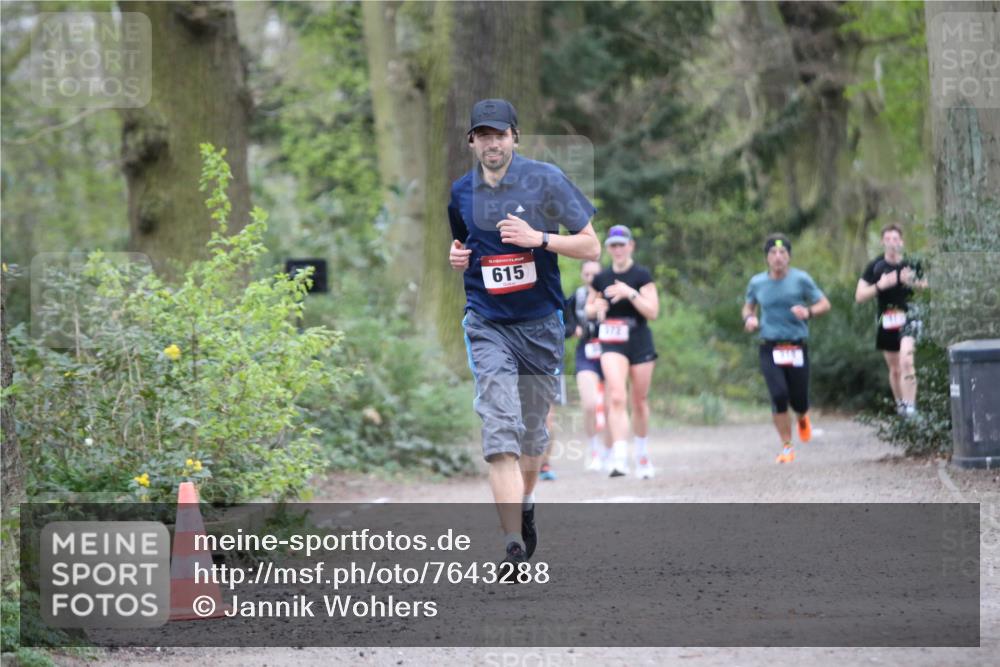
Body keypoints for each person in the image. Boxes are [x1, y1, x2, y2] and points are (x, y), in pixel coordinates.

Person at [448, 98, 600, 568]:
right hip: (487, 324)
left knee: (534, 435)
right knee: (500, 431)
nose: (492, 143)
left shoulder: (546, 180)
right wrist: (456, 258)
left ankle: (527, 503)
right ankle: (511, 542)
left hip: (539, 327)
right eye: (483, 135)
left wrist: (540, 239)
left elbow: (591, 244)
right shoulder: (460, 193)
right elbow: (463, 244)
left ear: (515, 137)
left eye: (500, 134)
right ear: (472, 142)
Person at [742, 234, 831, 464]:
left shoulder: (801, 279)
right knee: (779, 395)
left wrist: (808, 312)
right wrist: (750, 319)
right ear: (767, 258)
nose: (778, 257)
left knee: (799, 400)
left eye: (782, 253)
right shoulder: (757, 283)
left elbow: (824, 303)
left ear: (789, 257)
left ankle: (803, 418)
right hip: (770, 347)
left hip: (796, 346)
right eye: (773, 253)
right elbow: (748, 307)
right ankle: (787, 446)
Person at [587, 225, 659, 478]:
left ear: (631, 246)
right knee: (616, 396)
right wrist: (597, 307)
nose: (617, 249)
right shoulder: (601, 278)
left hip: (638, 339)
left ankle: (641, 454)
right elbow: (588, 309)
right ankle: (619, 457)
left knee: (639, 401)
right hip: (611, 341)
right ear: (607, 248)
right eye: (613, 245)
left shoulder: (642, 275)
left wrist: (631, 294)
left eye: (622, 244)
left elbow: (653, 311)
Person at [855, 223, 927, 417]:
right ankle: (901, 406)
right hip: (886, 319)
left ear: (901, 242)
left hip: (910, 317)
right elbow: (860, 295)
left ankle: (911, 410)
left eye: (895, 239)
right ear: (882, 242)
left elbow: (927, 287)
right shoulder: (875, 266)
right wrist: (880, 285)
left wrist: (911, 281)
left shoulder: (912, 263)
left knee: (906, 360)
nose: (892, 244)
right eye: (888, 240)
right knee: (895, 369)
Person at [571, 259, 610, 472]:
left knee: (613, 405)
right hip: (587, 351)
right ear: (582, 275)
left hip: (611, 351)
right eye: (586, 274)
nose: (591, 278)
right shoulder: (578, 296)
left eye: (594, 274)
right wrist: (574, 329)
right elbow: (569, 320)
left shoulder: (612, 293)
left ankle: (612, 450)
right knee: (589, 404)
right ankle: (594, 448)